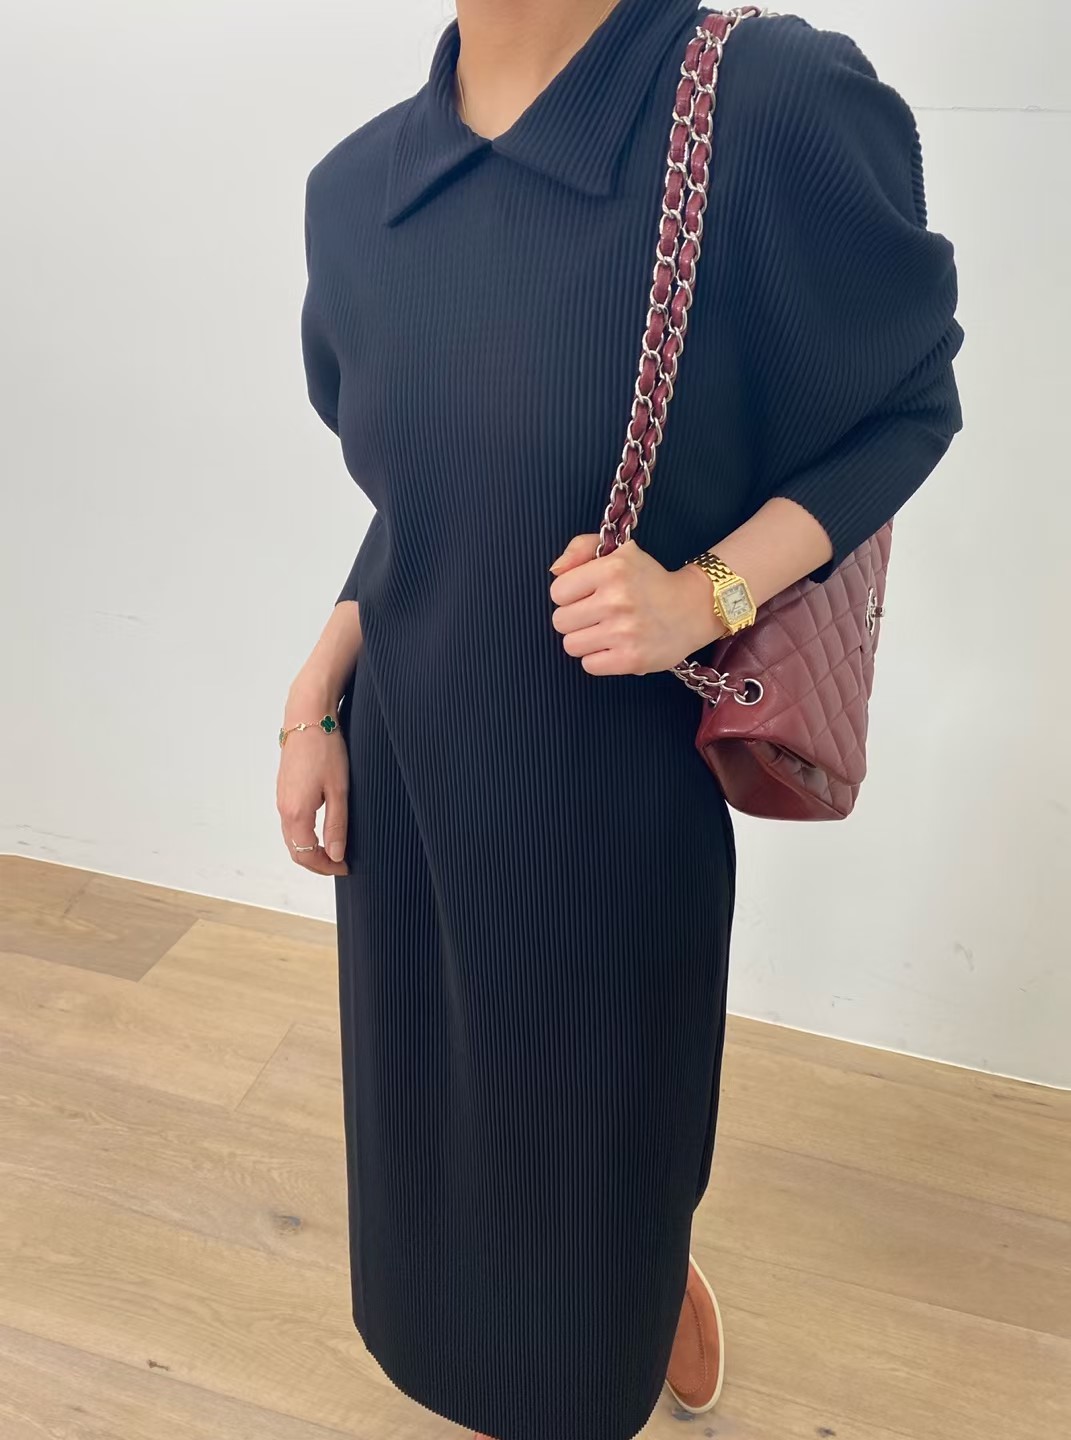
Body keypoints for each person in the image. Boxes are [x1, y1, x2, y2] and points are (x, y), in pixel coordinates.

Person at [276, 3, 965, 1438]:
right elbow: (430, 494)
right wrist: (319, 686)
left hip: (605, 781)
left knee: (599, 1144)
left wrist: (706, 597)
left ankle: (627, 1310)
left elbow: (902, 408)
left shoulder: (760, 105)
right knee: (429, 1135)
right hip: (409, 772)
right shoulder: (355, 193)